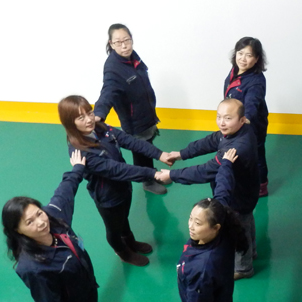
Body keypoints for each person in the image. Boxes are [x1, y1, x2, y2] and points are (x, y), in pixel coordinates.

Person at [2, 150, 125, 302]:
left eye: (39, 213)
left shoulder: (54, 218)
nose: (41, 222)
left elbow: (65, 192)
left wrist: (77, 169)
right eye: (29, 222)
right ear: (17, 230)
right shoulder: (32, 267)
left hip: (87, 284)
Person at [59, 95, 171, 267]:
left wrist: (159, 154)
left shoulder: (102, 129)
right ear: (70, 123)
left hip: (124, 187)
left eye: (89, 113)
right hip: (108, 197)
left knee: (124, 218)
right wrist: (152, 173)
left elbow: (130, 141)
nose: (89, 119)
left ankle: (130, 241)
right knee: (113, 228)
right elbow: (117, 170)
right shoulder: (81, 152)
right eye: (81, 118)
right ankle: (123, 252)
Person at [160, 98, 259, 279]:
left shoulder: (237, 148)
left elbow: (205, 171)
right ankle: (251, 252)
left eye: (228, 118)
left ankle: (244, 268)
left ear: (242, 120)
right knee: (246, 221)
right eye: (219, 117)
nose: (222, 122)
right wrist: (181, 154)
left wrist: (171, 175)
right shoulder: (238, 130)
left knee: (239, 227)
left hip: (238, 196)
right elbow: (211, 140)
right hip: (247, 191)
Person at [178, 148, 247, 302]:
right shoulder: (222, 220)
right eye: (191, 218)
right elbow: (223, 190)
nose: (191, 226)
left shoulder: (203, 268)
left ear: (215, 227)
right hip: (223, 297)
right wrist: (225, 164)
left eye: (198, 223)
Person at [93, 23, 168, 195]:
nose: (124, 46)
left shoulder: (133, 57)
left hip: (146, 114)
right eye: (118, 42)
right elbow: (108, 92)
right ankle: (147, 181)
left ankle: (152, 173)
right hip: (134, 121)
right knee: (141, 151)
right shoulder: (113, 68)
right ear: (111, 44)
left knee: (148, 146)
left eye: (127, 40)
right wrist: (99, 114)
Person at [224, 37, 269, 197]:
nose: (243, 58)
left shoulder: (256, 81)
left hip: (252, 125)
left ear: (256, 59)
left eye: (249, 55)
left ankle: (261, 186)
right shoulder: (235, 71)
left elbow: (251, 105)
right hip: (236, 122)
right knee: (239, 152)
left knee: (257, 155)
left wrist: (245, 121)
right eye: (240, 53)